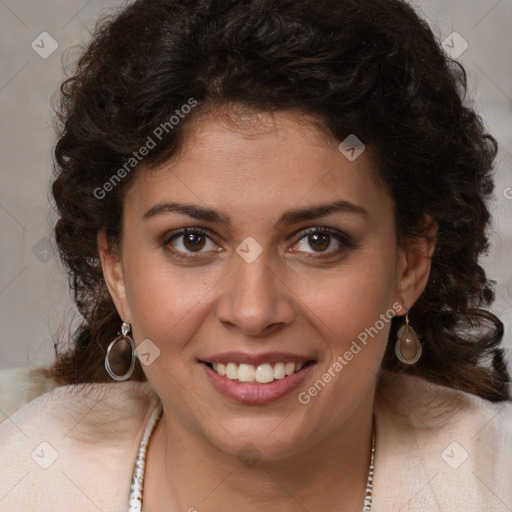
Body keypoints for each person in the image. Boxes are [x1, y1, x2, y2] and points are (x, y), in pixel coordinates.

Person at [1, 0, 511, 510]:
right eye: (192, 240)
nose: (253, 311)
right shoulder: (24, 475)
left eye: (318, 240)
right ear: (116, 269)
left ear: (410, 264)